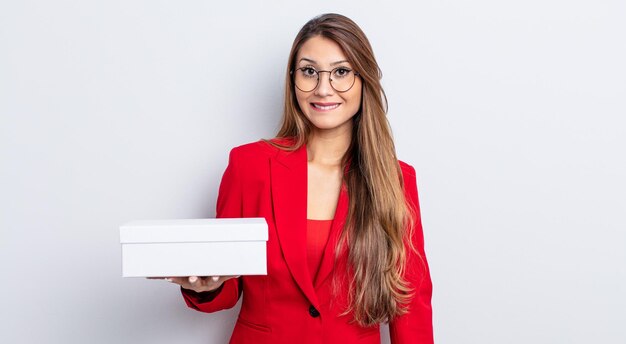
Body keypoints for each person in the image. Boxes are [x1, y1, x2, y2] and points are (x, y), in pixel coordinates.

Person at [166, 13, 433, 343]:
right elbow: (227, 286)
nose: (323, 89)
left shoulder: (396, 179)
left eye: (341, 72)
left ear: (363, 80)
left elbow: (410, 306)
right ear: (293, 79)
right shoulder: (249, 165)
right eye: (309, 71)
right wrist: (207, 286)